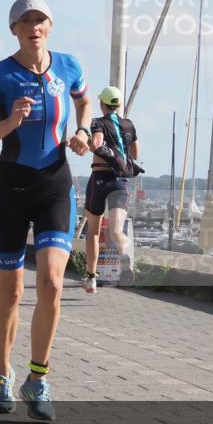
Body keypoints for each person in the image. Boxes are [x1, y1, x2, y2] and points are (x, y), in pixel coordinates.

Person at [0, 0, 92, 422]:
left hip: (55, 186)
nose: (34, 27)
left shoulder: (69, 65)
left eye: (41, 21)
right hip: (12, 190)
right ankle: (2, 372)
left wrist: (82, 131)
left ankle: (38, 378)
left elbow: (84, 101)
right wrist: (10, 123)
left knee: (53, 284)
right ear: (14, 29)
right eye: (26, 21)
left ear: (50, 27)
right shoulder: (0, 75)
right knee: (13, 291)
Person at [82, 86, 141, 293]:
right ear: (118, 105)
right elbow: (135, 153)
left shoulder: (98, 122)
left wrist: (88, 143)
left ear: (102, 103)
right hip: (120, 182)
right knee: (116, 230)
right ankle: (125, 257)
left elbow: (97, 145)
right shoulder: (129, 125)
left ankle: (91, 279)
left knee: (94, 232)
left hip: (100, 178)